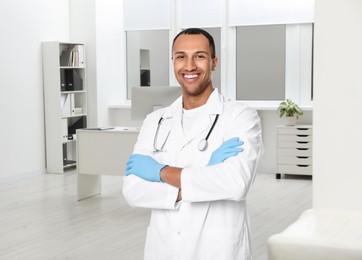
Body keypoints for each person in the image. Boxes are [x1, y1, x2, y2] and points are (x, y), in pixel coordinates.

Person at [123, 28, 263, 260]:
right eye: (181, 56)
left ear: (214, 62)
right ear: (173, 62)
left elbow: (235, 183)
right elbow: (133, 191)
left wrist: (160, 172)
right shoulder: (155, 121)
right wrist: (205, 174)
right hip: (164, 248)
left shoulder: (240, 116)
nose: (189, 66)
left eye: (199, 56)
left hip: (217, 250)